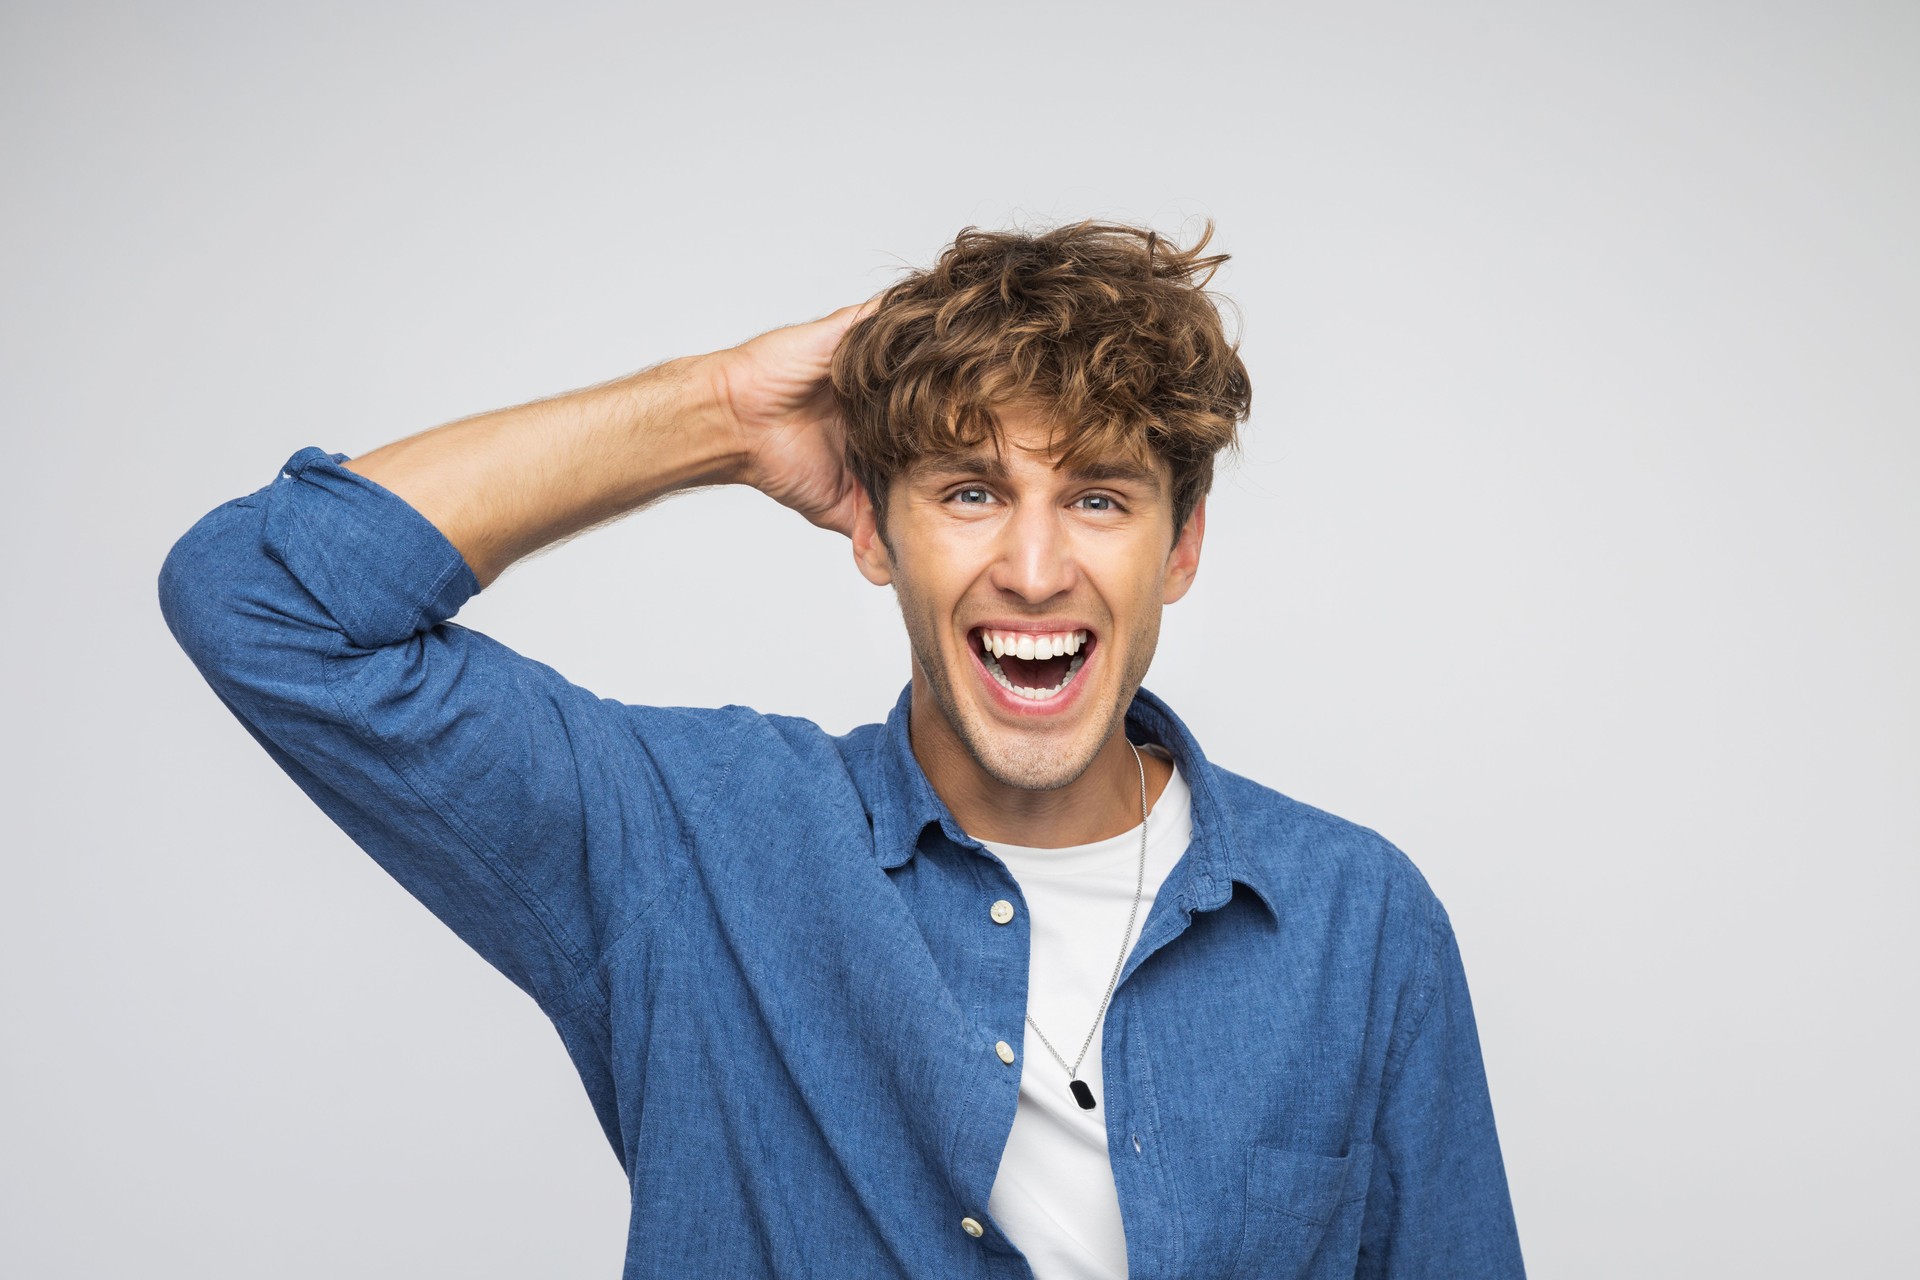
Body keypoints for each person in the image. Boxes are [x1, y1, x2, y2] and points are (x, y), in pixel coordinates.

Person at [157, 220, 1526, 1279]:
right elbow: (266, 603)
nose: (1036, 567)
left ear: (1181, 548)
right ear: (873, 531)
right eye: (970, 491)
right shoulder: (691, 845)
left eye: (1098, 495)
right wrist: (718, 413)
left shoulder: (1358, 920)